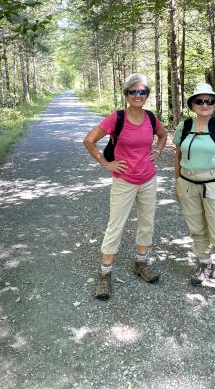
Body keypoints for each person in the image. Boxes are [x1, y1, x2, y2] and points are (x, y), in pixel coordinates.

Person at [83, 73, 168, 301]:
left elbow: (162, 135)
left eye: (142, 92)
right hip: (124, 180)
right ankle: (105, 274)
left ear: (147, 95)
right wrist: (105, 163)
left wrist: (157, 151)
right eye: (133, 91)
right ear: (126, 94)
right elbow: (89, 140)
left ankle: (141, 264)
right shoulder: (116, 118)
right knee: (116, 225)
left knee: (147, 222)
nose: (138, 95)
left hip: (148, 179)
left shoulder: (151, 118)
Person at [173, 83, 215, 306]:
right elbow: (177, 156)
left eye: (209, 101)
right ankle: (205, 266)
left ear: (214, 105)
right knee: (197, 229)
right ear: (192, 104)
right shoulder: (184, 126)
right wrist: (177, 182)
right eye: (200, 101)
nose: (204, 105)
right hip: (188, 184)